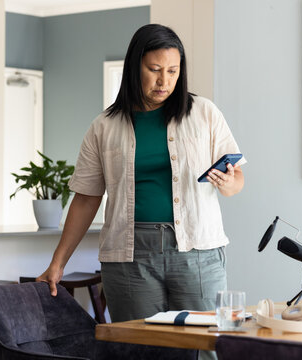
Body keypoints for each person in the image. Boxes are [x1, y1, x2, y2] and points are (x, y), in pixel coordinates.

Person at [37, 24, 246, 323]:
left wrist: (228, 183)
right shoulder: (103, 127)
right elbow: (85, 199)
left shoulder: (204, 113)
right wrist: (58, 263)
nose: (164, 80)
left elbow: (236, 180)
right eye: (155, 69)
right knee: (139, 348)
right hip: (129, 259)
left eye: (173, 71)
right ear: (135, 67)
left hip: (197, 253)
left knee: (206, 345)